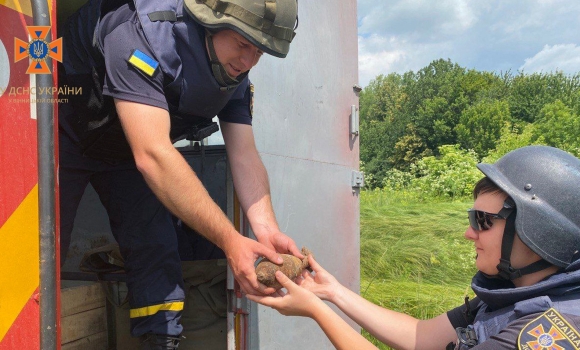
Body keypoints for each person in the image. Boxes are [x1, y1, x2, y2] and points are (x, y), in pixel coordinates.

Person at [57, 0, 302, 348]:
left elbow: (245, 155)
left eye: (260, 52)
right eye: (243, 45)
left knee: (156, 246)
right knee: (43, 243)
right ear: (208, 24)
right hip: (60, 133)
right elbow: (154, 154)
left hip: (127, 148)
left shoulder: (234, 75)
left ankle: (162, 341)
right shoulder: (140, 35)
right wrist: (231, 241)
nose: (248, 62)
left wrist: (268, 232)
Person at [248, 145, 580, 350]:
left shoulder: (546, 334)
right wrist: (331, 292)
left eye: (483, 220)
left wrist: (315, 311)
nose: (469, 233)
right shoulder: (510, 296)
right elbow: (421, 336)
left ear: (538, 233)